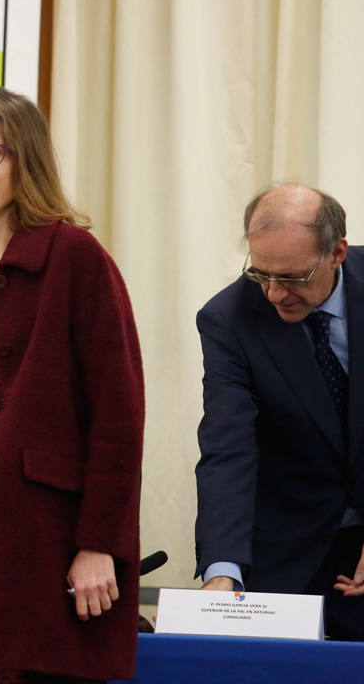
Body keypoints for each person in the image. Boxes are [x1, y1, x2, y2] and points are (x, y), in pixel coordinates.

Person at [0, 88, 144, 683]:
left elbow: (118, 417)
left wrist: (99, 543)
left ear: (27, 161)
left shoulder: (76, 257)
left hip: (48, 529)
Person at [195, 184, 364, 641]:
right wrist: (222, 569)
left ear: (337, 253)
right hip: (288, 549)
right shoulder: (228, 319)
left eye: (292, 277)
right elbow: (227, 449)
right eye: (261, 273)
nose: (273, 294)